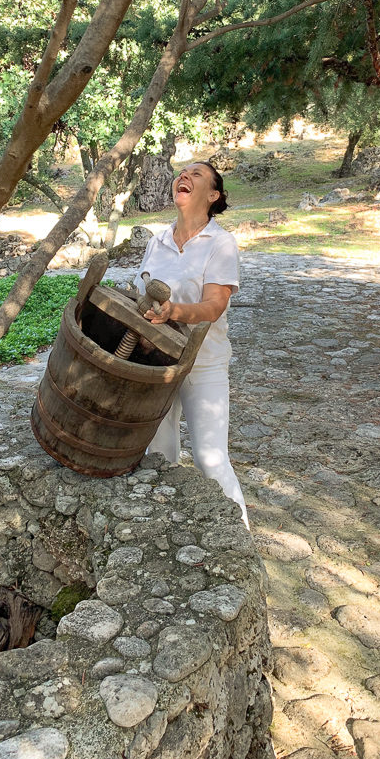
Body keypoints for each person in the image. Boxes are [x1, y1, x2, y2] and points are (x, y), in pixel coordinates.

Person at [133, 161, 249, 528]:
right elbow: (140, 296)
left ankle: (239, 541)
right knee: (159, 453)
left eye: (196, 175)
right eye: (182, 172)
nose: (184, 176)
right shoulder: (157, 241)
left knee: (210, 458)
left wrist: (174, 311)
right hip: (157, 363)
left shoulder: (221, 243)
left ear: (213, 195)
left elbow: (215, 306)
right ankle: (169, 532)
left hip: (204, 362)